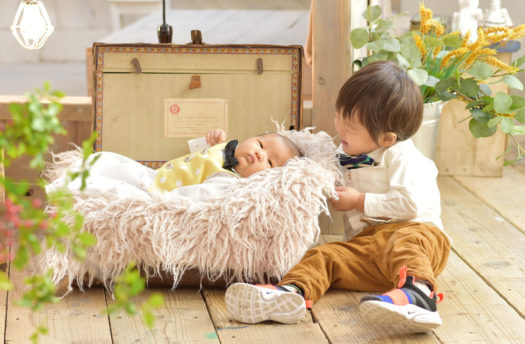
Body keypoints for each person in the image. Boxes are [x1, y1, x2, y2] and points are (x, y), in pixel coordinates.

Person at [225, 60, 451, 333]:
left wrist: (358, 201)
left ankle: (419, 294)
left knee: (404, 243)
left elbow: (410, 204)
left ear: (387, 139)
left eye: (350, 127)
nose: (340, 128)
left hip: (420, 235)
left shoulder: (401, 155)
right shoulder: (348, 154)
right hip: (369, 248)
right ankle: (290, 293)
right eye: (340, 116)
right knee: (325, 255)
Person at [46, 130, 302, 202]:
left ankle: (66, 187)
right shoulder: (228, 152)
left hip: (156, 193)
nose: (259, 154)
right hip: (154, 175)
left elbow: (198, 194)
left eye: (270, 162)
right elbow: (196, 162)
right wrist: (210, 144)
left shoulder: (229, 182)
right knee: (109, 160)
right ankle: (77, 173)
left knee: (117, 191)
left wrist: (167, 201)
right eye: (260, 143)